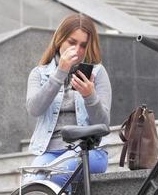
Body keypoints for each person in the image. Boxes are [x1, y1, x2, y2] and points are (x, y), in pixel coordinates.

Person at [24, 13, 112, 187]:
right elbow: (34, 109)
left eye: (83, 45)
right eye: (72, 43)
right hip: (49, 152)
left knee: (57, 175)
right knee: (31, 185)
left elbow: (103, 124)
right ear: (59, 40)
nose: (77, 50)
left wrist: (89, 96)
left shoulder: (97, 72)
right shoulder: (39, 74)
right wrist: (60, 73)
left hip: (89, 150)